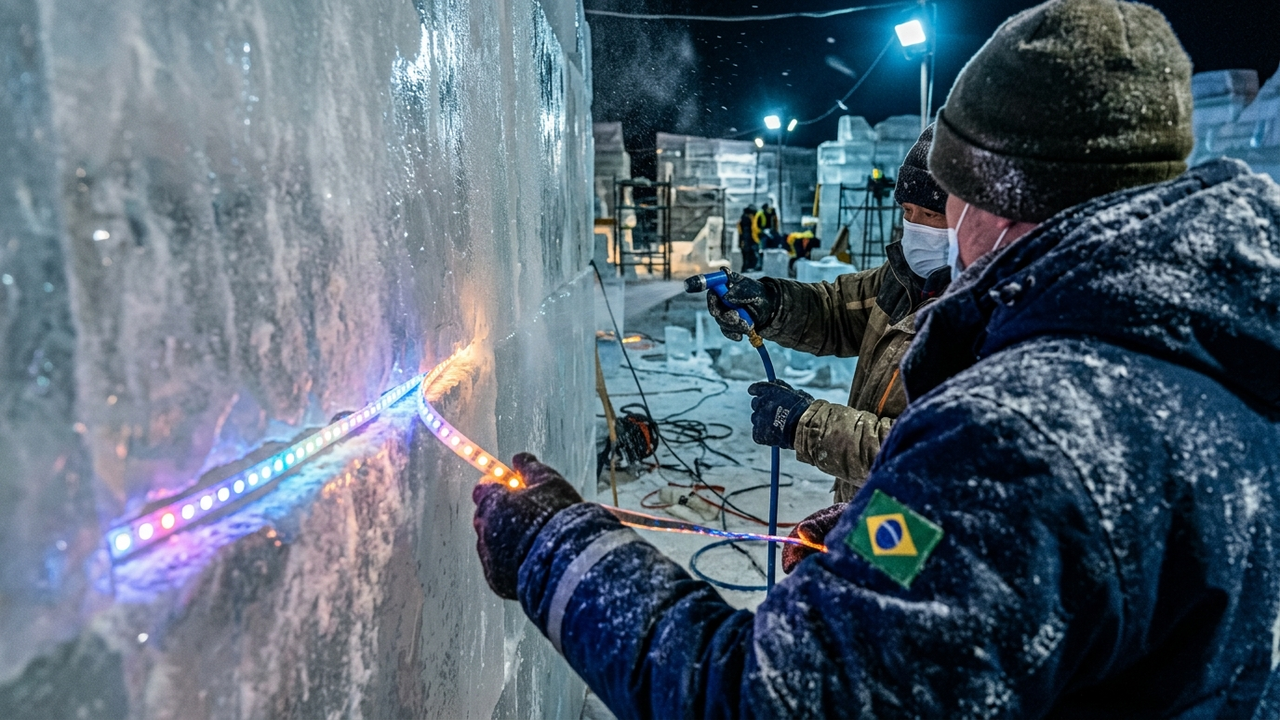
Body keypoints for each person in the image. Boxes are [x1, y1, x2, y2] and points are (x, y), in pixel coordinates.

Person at [472, 1, 1280, 716]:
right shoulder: (1194, 351)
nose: (941, 228)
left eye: (951, 201)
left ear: (999, 200)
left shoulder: (1022, 434)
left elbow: (766, 698)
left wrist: (556, 547)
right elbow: (845, 316)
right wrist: (885, 531)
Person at [711, 124, 951, 502]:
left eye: (932, 215)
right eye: (908, 211)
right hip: (871, 512)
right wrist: (770, 302)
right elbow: (837, 310)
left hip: (922, 532)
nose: (915, 228)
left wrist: (806, 424)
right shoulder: (904, 280)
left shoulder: (986, 316)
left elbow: (930, 454)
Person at [737, 205, 759, 271]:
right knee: (747, 256)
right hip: (747, 242)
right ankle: (746, 268)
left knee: (748, 256)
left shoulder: (745, 220)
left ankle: (746, 268)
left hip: (749, 241)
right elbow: (743, 234)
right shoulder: (745, 221)